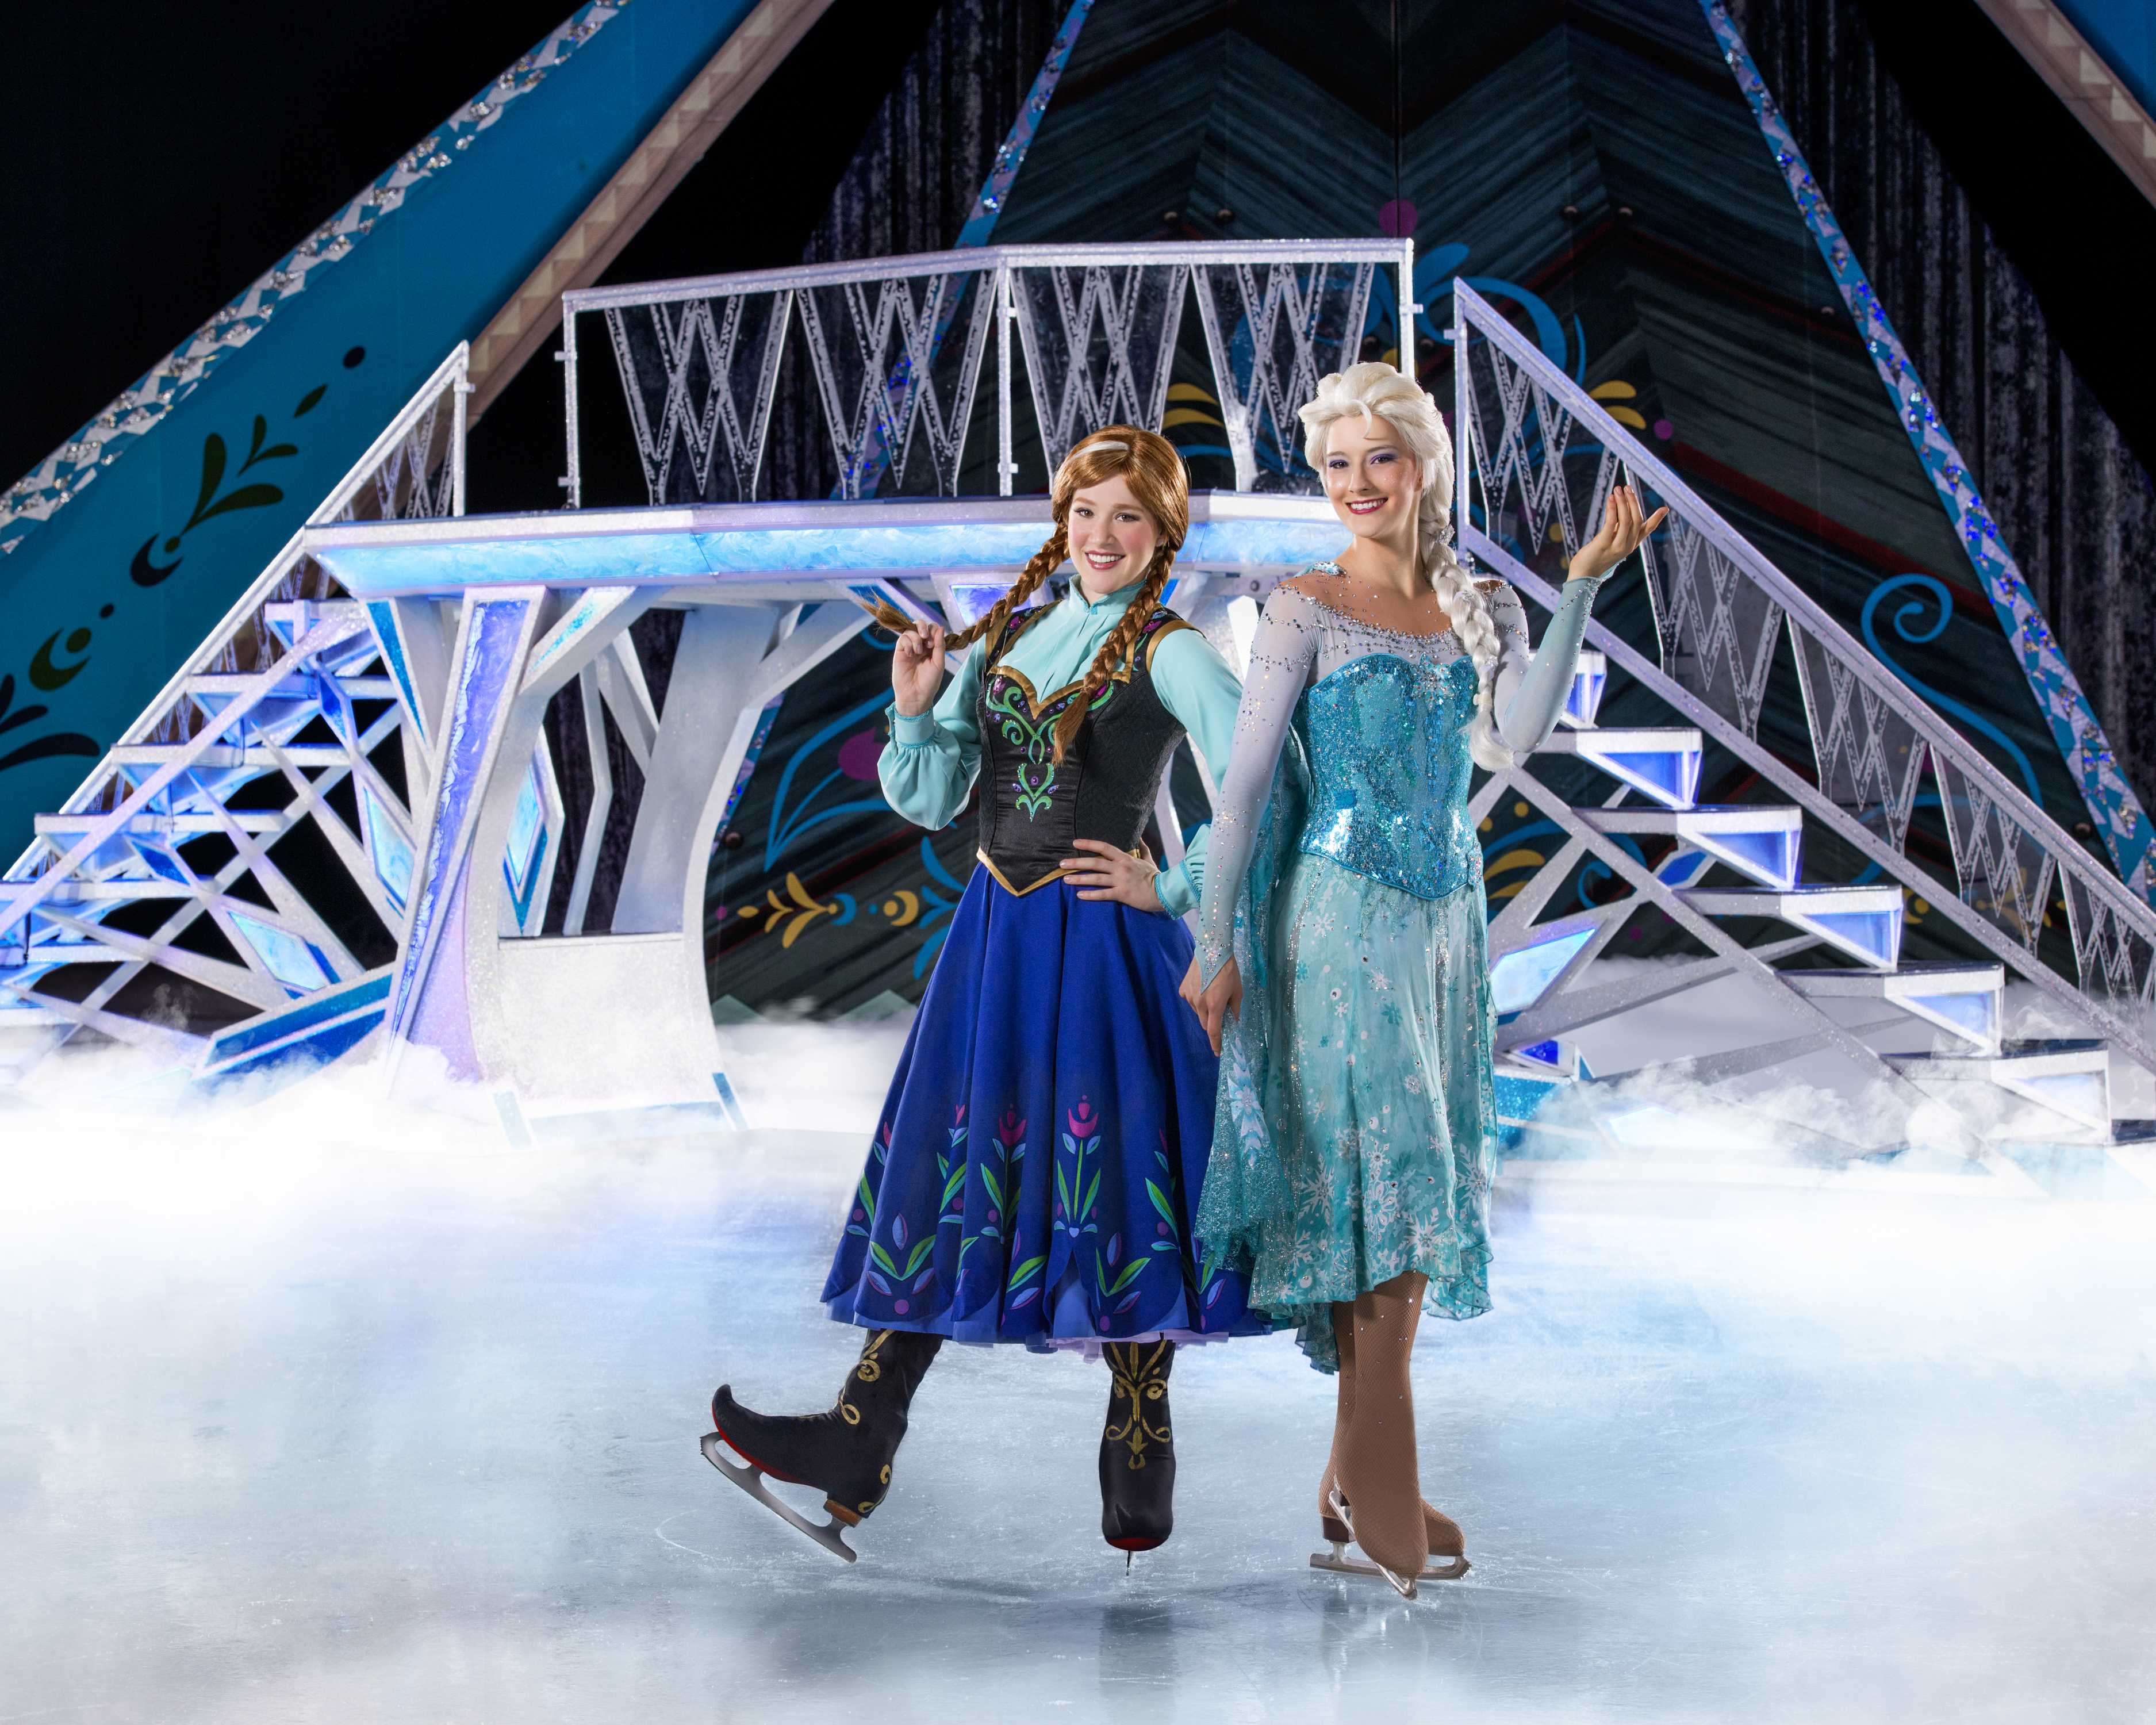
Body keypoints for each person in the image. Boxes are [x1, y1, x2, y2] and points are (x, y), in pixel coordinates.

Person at [705, 426, 1261, 1563]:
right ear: (1061, 521)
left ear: (1160, 538)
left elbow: (1263, 782)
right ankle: (864, 1429)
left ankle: (1141, 1430)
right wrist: (915, 706)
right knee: (945, 1164)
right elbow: (933, 794)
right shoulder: (1015, 631)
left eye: (1128, 518)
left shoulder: (1174, 649)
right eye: (1086, 512)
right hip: (996, 938)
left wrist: (1177, 883)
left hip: (1104, 940)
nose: (1101, 537)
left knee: (1111, 1173)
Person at [1180, 362, 1663, 1597]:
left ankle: (1355, 1486)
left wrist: (1580, 592)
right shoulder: (1303, 608)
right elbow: (1237, 796)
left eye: (1377, 460)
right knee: (1377, 1185)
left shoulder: (1472, 602)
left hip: (1446, 929)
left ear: (1423, 469)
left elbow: (1526, 729)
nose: (1354, 485)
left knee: (1411, 1173)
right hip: (1336, 924)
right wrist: (1215, 946)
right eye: (1335, 464)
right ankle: (1387, 1488)